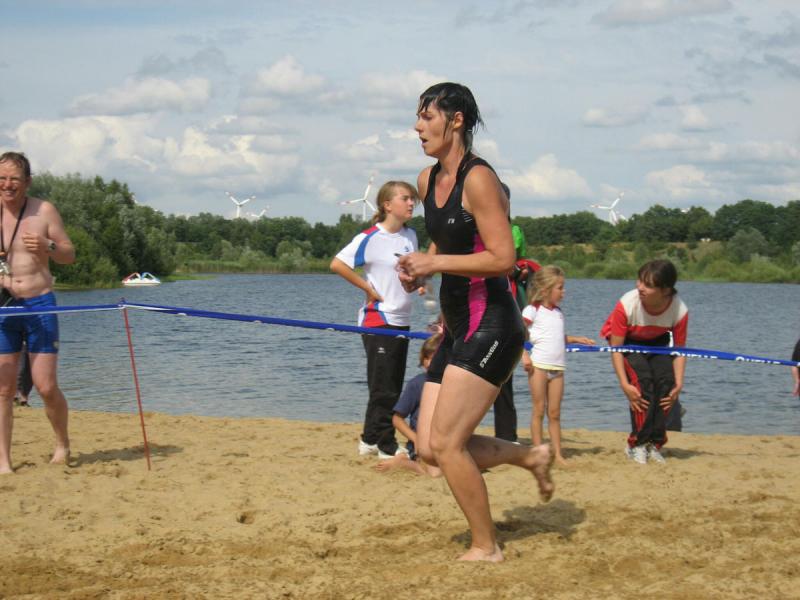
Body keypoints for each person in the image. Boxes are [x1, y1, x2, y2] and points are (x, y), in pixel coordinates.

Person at [397, 82, 554, 563]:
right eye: (418, 117)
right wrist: (420, 269)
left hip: (494, 325)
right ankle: (528, 455)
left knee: (447, 444)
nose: (417, 126)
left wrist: (435, 263)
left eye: (427, 116)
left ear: (456, 120)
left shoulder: (479, 179)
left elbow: (503, 258)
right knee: (429, 448)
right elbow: (446, 245)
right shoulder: (427, 180)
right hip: (457, 325)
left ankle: (486, 546)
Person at [330, 181, 419, 460]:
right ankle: (385, 445)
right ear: (387, 205)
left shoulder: (411, 236)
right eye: (405, 198)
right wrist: (367, 288)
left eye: (413, 199)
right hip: (378, 320)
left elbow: (409, 275)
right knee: (384, 388)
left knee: (391, 383)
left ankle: (369, 439)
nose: (411, 203)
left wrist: (417, 283)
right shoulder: (370, 237)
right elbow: (337, 264)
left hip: (402, 318)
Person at [0, 151, 76, 473]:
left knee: (45, 386)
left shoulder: (43, 210)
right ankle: (3, 461)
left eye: (14, 179)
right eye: (2, 179)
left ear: (27, 182)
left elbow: (69, 255)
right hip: (4, 308)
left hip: (40, 303)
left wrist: (49, 246)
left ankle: (62, 443)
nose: (7, 185)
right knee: (3, 388)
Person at [600, 259, 688, 465]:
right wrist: (624, 384)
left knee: (666, 384)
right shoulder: (627, 304)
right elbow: (616, 349)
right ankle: (637, 444)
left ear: (665, 291)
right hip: (628, 342)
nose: (640, 287)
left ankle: (655, 444)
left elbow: (680, 350)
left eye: (647, 285)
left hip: (656, 342)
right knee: (642, 384)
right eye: (639, 281)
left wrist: (678, 384)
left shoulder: (680, 310)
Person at [521, 266, 594, 465]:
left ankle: (558, 454)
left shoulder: (558, 313)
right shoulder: (532, 310)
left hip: (558, 369)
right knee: (538, 410)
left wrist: (577, 339)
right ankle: (538, 452)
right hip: (538, 367)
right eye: (560, 288)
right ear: (546, 289)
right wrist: (524, 355)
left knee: (555, 413)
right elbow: (517, 333)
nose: (564, 292)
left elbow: (556, 337)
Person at [375, 332, 442, 477]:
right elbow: (397, 419)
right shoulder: (417, 384)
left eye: (434, 358)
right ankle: (403, 462)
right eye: (426, 358)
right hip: (422, 444)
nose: (429, 363)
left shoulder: (454, 384)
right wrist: (416, 438)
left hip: (445, 442)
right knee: (436, 474)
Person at [13, 339, 32, 407]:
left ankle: (23, 399)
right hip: (16, 341)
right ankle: (15, 397)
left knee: (29, 371)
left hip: (31, 342)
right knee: (20, 369)